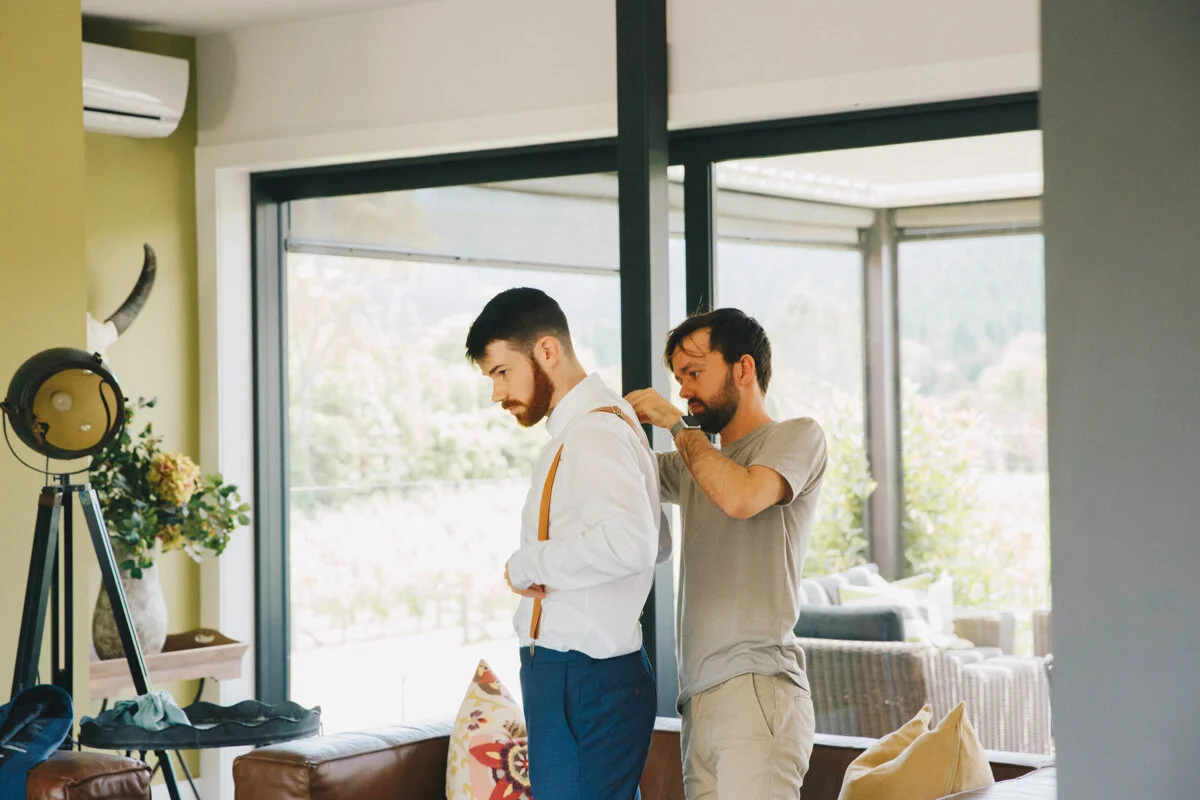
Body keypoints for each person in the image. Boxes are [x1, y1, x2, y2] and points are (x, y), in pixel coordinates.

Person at [465, 287, 667, 800]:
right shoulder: (606, 421)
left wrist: (528, 563)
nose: (497, 393)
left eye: (502, 372)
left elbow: (633, 544)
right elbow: (658, 542)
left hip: (580, 676)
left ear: (548, 350)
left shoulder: (593, 432)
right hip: (587, 675)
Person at [625, 308, 827, 800]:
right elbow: (618, 475)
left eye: (694, 373)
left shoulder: (796, 436)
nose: (684, 392)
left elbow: (741, 497)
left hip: (757, 689)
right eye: (678, 380)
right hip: (698, 702)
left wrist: (675, 426)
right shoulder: (693, 463)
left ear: (744, 368)